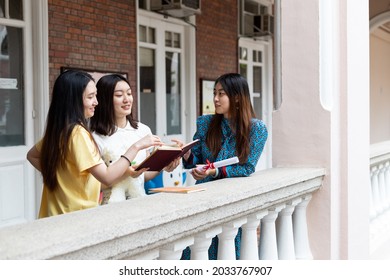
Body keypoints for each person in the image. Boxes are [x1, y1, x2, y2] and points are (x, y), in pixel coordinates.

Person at [26, 70, 163, 218]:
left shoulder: (60, 130)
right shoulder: (79, 134)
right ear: (74, 101)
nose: (96, 102)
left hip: (53, 217)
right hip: (76, 218)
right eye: (90, 97)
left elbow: (32, 156)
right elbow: (107, 177)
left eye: (95, 96)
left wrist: (62, 179)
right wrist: (136, 147)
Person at [179, 73, 268, 260]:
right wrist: (187, 155)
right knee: (197, 252)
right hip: (204, 199)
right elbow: (199, 160)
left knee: (228, 254)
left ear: (236, 97)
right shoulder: (205, 123)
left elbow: (247, 168)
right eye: (214, 93)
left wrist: (216, 171)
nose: (216, 99)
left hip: (234, 202)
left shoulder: (257, 129)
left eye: (221, 94)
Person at [89, 74, 180, 203]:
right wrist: (126, 173)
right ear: (105, 99)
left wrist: (164, 165)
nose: (127, 99)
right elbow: (95, 186)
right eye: (119, 95)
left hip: (140, 204)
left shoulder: (143, 130)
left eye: (129, 93)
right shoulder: (95, 137)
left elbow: (144, 176)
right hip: (110, 209)